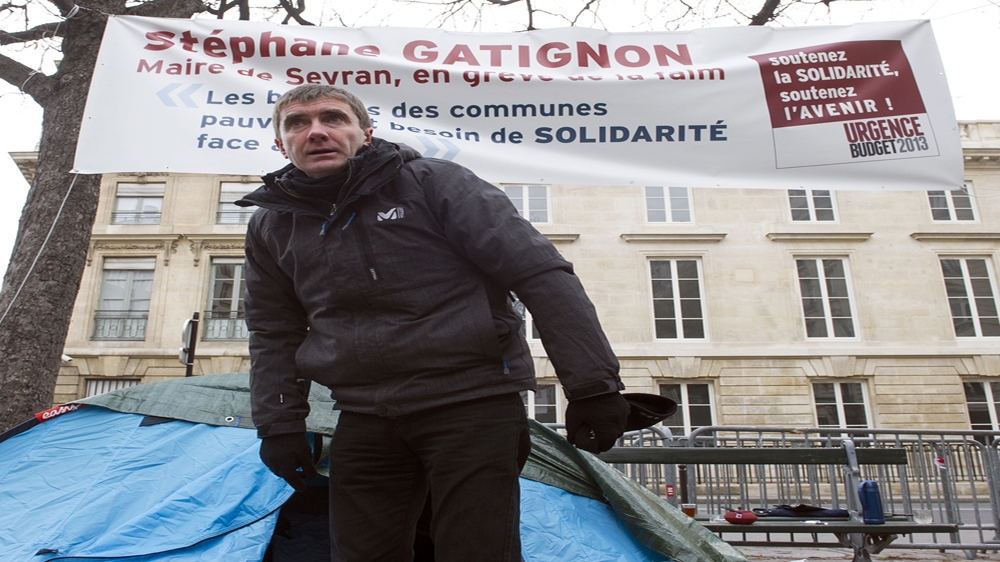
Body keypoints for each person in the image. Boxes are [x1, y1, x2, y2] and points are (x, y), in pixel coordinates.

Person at [238, 84, 631, 562]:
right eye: (297, 124)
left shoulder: (434, 182)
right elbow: (273, 330)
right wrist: (279, 423)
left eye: (333, 118)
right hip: (364, 414)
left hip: (471, 403)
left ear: (365, 134)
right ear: (281, 144)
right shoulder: (269, 225)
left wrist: (592, 386)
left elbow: (539, 274)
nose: (316, 131)